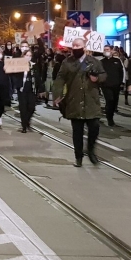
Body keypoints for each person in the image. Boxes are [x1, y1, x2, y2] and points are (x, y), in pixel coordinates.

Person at [52, 38, 106, 167]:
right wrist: (57, 95)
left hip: (91, 101)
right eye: (74, 45)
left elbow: (103, 75)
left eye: (79, 45)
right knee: (77, 132)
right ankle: (78, 156)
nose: (76, 47)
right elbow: (60, 79)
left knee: (94, 127)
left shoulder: (94, 62)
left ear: (84, 47)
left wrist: (97, 78)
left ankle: (91, 149)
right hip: (74, 101)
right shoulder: (67, 62)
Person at [99, 46, 125, 127]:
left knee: (114, 102)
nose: (106, 51)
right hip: (106, 85)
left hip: (116, 85)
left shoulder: (117, 61)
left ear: (111, 51)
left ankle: (111, 115)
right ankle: (109, 118)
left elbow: (121, 72)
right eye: (105, 50)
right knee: (109, 100)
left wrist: (122, 83)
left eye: (107, 50)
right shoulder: (101, 62)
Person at [17, 46, 37, 133]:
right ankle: (24, 126)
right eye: (27, 55)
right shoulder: (19, 65)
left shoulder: (33, 65)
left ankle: (27, 121)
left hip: (31, 89)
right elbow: (15, 76)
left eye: (30, 55)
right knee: (23, 107)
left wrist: (41, 89)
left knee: (31, 107)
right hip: (22, 89)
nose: (28, 57)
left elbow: (37, 77)